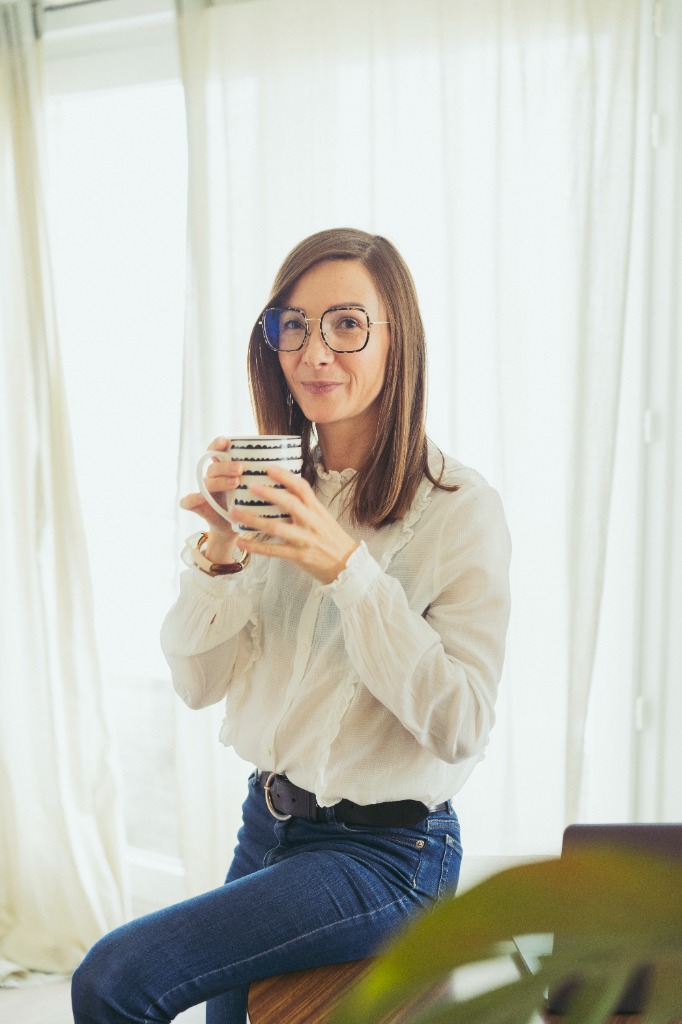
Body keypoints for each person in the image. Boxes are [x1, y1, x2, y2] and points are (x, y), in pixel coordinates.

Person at [71, 227, 511, 1024]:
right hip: (267, 826)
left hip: (389, 855)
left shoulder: (460, 510)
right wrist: (223, 547)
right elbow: (198, 686)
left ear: (396, 340)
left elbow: (462, 724)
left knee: (113, 978)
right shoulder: (277, 485)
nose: (315, 352)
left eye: (346, 324)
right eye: (293, 325)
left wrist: (347, 569)